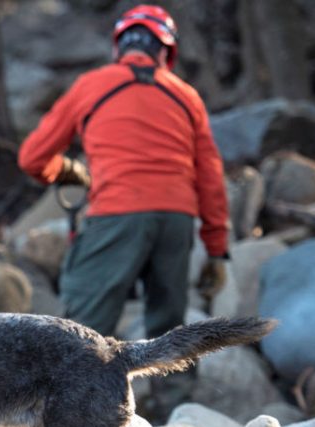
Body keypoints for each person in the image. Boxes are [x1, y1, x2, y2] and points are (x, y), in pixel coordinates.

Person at [18, 4, 229, 339]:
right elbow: (210, 177)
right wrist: (217, 251)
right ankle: (179, 392)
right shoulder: (187, 96)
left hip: (117, 212)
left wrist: (67, 171)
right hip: (176, 220)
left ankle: (81, 389)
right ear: (165, 52)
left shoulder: (91, 85)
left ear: (120, 47)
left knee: (84, 330)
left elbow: (32, 158)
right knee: (171, 331)